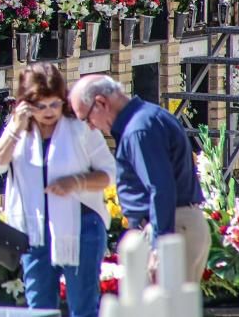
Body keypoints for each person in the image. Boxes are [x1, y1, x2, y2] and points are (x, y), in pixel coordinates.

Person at [0, 63, 116, 317]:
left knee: (83, 307)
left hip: (82, 227)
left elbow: (109, 173)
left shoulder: (80, 128)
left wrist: (75, 182)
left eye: (54, 104)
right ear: (26, 104)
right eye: (41, 106)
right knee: (38, 308)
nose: (49, 112)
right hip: (34, 233)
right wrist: (15, 128)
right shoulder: (19, 131)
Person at [68, 74, 209, 283]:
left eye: (87, 118)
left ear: (101, 103)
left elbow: (160, 188)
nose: (90, 126)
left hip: (172, 228)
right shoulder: (149, 116)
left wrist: (159, 247)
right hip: (178, 225)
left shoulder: (139, 129)